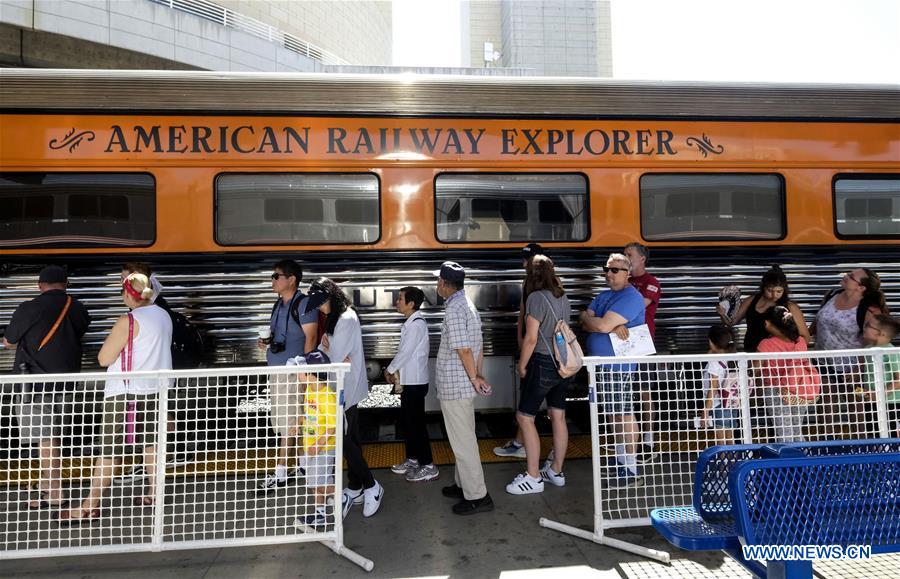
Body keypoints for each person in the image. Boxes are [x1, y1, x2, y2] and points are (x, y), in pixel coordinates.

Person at [60, 273, 172, 522]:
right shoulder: (163, 316)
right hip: (156, 390)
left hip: (125, 392)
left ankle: (89, 506)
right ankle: (155, 494)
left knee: (109, 450)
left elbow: (104, 358)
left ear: (129, 294)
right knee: (151, 444)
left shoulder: (128, 320)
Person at [3, 265, 91, 510]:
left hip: (34, 384)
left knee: (45, 439)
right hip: (66, 383)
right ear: (66, 284)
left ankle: (55, 492)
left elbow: (9, 341)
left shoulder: (29, 307)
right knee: (52, 437)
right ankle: (46, 483)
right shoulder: (79, 308)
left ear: (40, 285)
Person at [304, 278, 383, 518]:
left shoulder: (346, 319)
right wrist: (328, 351)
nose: (318, 307)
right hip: (336, 386)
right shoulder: (335, 317)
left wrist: (329, 352)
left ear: (331, 297)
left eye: (321, 303)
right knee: (351, 439)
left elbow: (333, 354)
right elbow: (325, 350)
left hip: (345, 388)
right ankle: (357, 486)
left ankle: (372, 486)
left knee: (345, 439)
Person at [579, 253, 646, 486]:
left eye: (615, 270)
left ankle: (630, 467)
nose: (609, 274)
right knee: (612, 414)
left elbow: (601, 323)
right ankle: (621, 462)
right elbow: (583, 318)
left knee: (623, 413)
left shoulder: (631, 297)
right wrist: (599, 324)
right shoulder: (603, 295)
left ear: (628, 274)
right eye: (607, 269)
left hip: (618, 366)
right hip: (601, 365)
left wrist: (600, 324)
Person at [506, 255, 571, 495]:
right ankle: (556, 470)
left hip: (542, 362)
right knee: (558, 416)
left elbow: (531, 337)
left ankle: (533, 476)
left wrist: (523, 365)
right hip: (562, 364)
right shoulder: (562, 295)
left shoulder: (535, 298)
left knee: (525, 418)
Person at [433, 262, 494, 515]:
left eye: (438, 281)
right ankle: (463, 485)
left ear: (445, 284)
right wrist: (478, 374)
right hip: (463, 383)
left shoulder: (455, 310)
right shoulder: (466, 304)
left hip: (457, 386)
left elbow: (464, 349)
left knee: (463, 442)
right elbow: (476, 346)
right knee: (463, 437)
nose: (436, 285)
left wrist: (473, 379)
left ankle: (477, 495)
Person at [258, 259, 318, 491]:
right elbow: (279, 334)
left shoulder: (303, 304)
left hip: (293, 371)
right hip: (278, 369)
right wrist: (266, 341)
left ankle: (281, 471)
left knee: (289, 421)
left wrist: (304, 370)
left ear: (291, 279)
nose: (272, 280)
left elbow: (310, 339)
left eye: (276, 276)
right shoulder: (279, 304)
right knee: (292, 419)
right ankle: (303, 464)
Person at [811, 268, 888, 425]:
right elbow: (816, 325)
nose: (845, 276)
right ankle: (826, 445)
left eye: (851, 277)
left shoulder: (869, 310)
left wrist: (858, 368)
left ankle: (859, 445)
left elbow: (873, 342)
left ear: (861, 288)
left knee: (856, 408)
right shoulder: (831, 295)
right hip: (823, 362)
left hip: (851, 367)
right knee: (825, 409)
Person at [494, 242, 543, 460]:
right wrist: (520, 337)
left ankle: (521, 444)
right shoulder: (534, 282)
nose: (523, 263)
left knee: (528, 400)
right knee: (543, 405)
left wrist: (524, 344)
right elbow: (522, 314)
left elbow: (527, 316)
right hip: (537, 347)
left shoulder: (538, 285)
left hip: (537, 349)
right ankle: (520, 441)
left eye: (528, 259)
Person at [385, 286, 438, 483]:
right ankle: (414, 460)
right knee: (409, 422)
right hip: (410, 382)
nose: (396, 302)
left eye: (400, 299)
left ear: (411, 304)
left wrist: (389, 369)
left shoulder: (416, 324)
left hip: (415, 383)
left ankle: (428, 465)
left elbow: (405, 353)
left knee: (416, 425)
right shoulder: (412, 322)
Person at [289, 351, 339, 532]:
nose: (298, 374)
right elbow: (308, 413)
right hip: (310, 446)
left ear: (312, 373)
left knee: (320, 483)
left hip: (323, 449)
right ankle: (320, 514)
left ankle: (340, 499)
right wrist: (299, 422)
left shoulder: (328, 396)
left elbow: (333, 426)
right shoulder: (310, 389)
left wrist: (318, 445)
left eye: (301, 370)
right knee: (314, 483)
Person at [757, 306, 822, 443]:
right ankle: (803, 460)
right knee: (797, 429)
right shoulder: (800, 341)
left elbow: (757, 369)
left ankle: (786, 462)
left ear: (768, 323)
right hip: (799, 389)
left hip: (776, 391)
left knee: (783, 430)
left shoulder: (765, 345)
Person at [623, 242, 663, 463]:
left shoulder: (651, 282)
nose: (626, 258)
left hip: (643, 342)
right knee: (625, 391)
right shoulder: (624, 281)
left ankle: (648, 441)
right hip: (622, 342)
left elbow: (638, 305)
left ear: (641, 260)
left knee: (645, 391)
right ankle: (628, 441)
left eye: (629, 255)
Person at [717, 265, 810, 353]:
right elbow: (731, 322)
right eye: (770, 290)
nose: (774, 295)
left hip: (776, 357)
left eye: (779, 291)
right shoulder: (751, 301)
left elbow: (805, 337)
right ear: (763, 287)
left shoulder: (790, 307)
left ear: (784, 290)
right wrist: (723, 314)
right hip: (751, 352)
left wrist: (791, 355)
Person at [856, 314, 900, 436]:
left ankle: (891, 454)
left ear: (881, 334)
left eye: (868, 326)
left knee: (889, 434)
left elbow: (898, 380)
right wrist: (854, 376)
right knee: (873, 432)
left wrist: (880, 394)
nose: (864, 328)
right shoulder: (868, 348)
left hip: (890, 403)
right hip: (872, 401)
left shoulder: (890, 352)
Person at [699, 325, 740, 446]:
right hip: (732, 404)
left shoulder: (714, 362)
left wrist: (705, 411)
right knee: (730, 441)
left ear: (710, 341)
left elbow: (713, 387)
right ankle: (733, 464)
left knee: (721, 444)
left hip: (718, 405)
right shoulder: (732, 357)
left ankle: (723, 464)